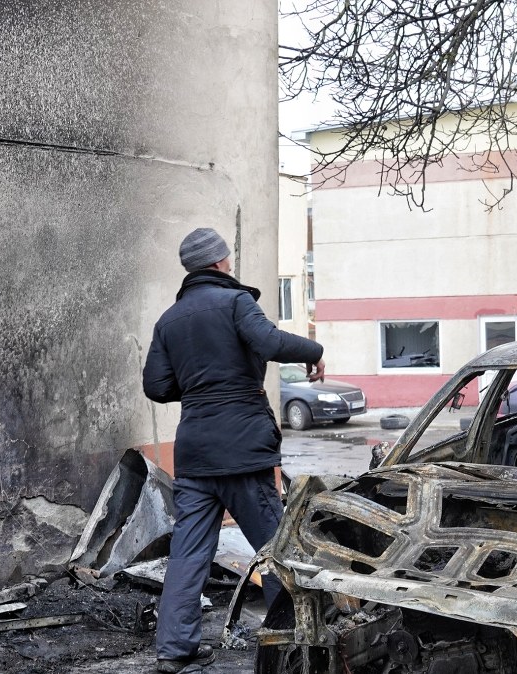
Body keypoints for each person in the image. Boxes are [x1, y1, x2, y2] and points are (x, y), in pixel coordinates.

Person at [142, 227, 324, 673]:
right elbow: (269, 342)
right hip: (242, 450)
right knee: (276, 546)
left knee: (188, 553)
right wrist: (314, 349)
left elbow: (157, 386)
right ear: (221, 262)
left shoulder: (169, 319)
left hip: (195, 455)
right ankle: (295, 643)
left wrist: (200, 383)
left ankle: (173, 650)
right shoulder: (237, 302)